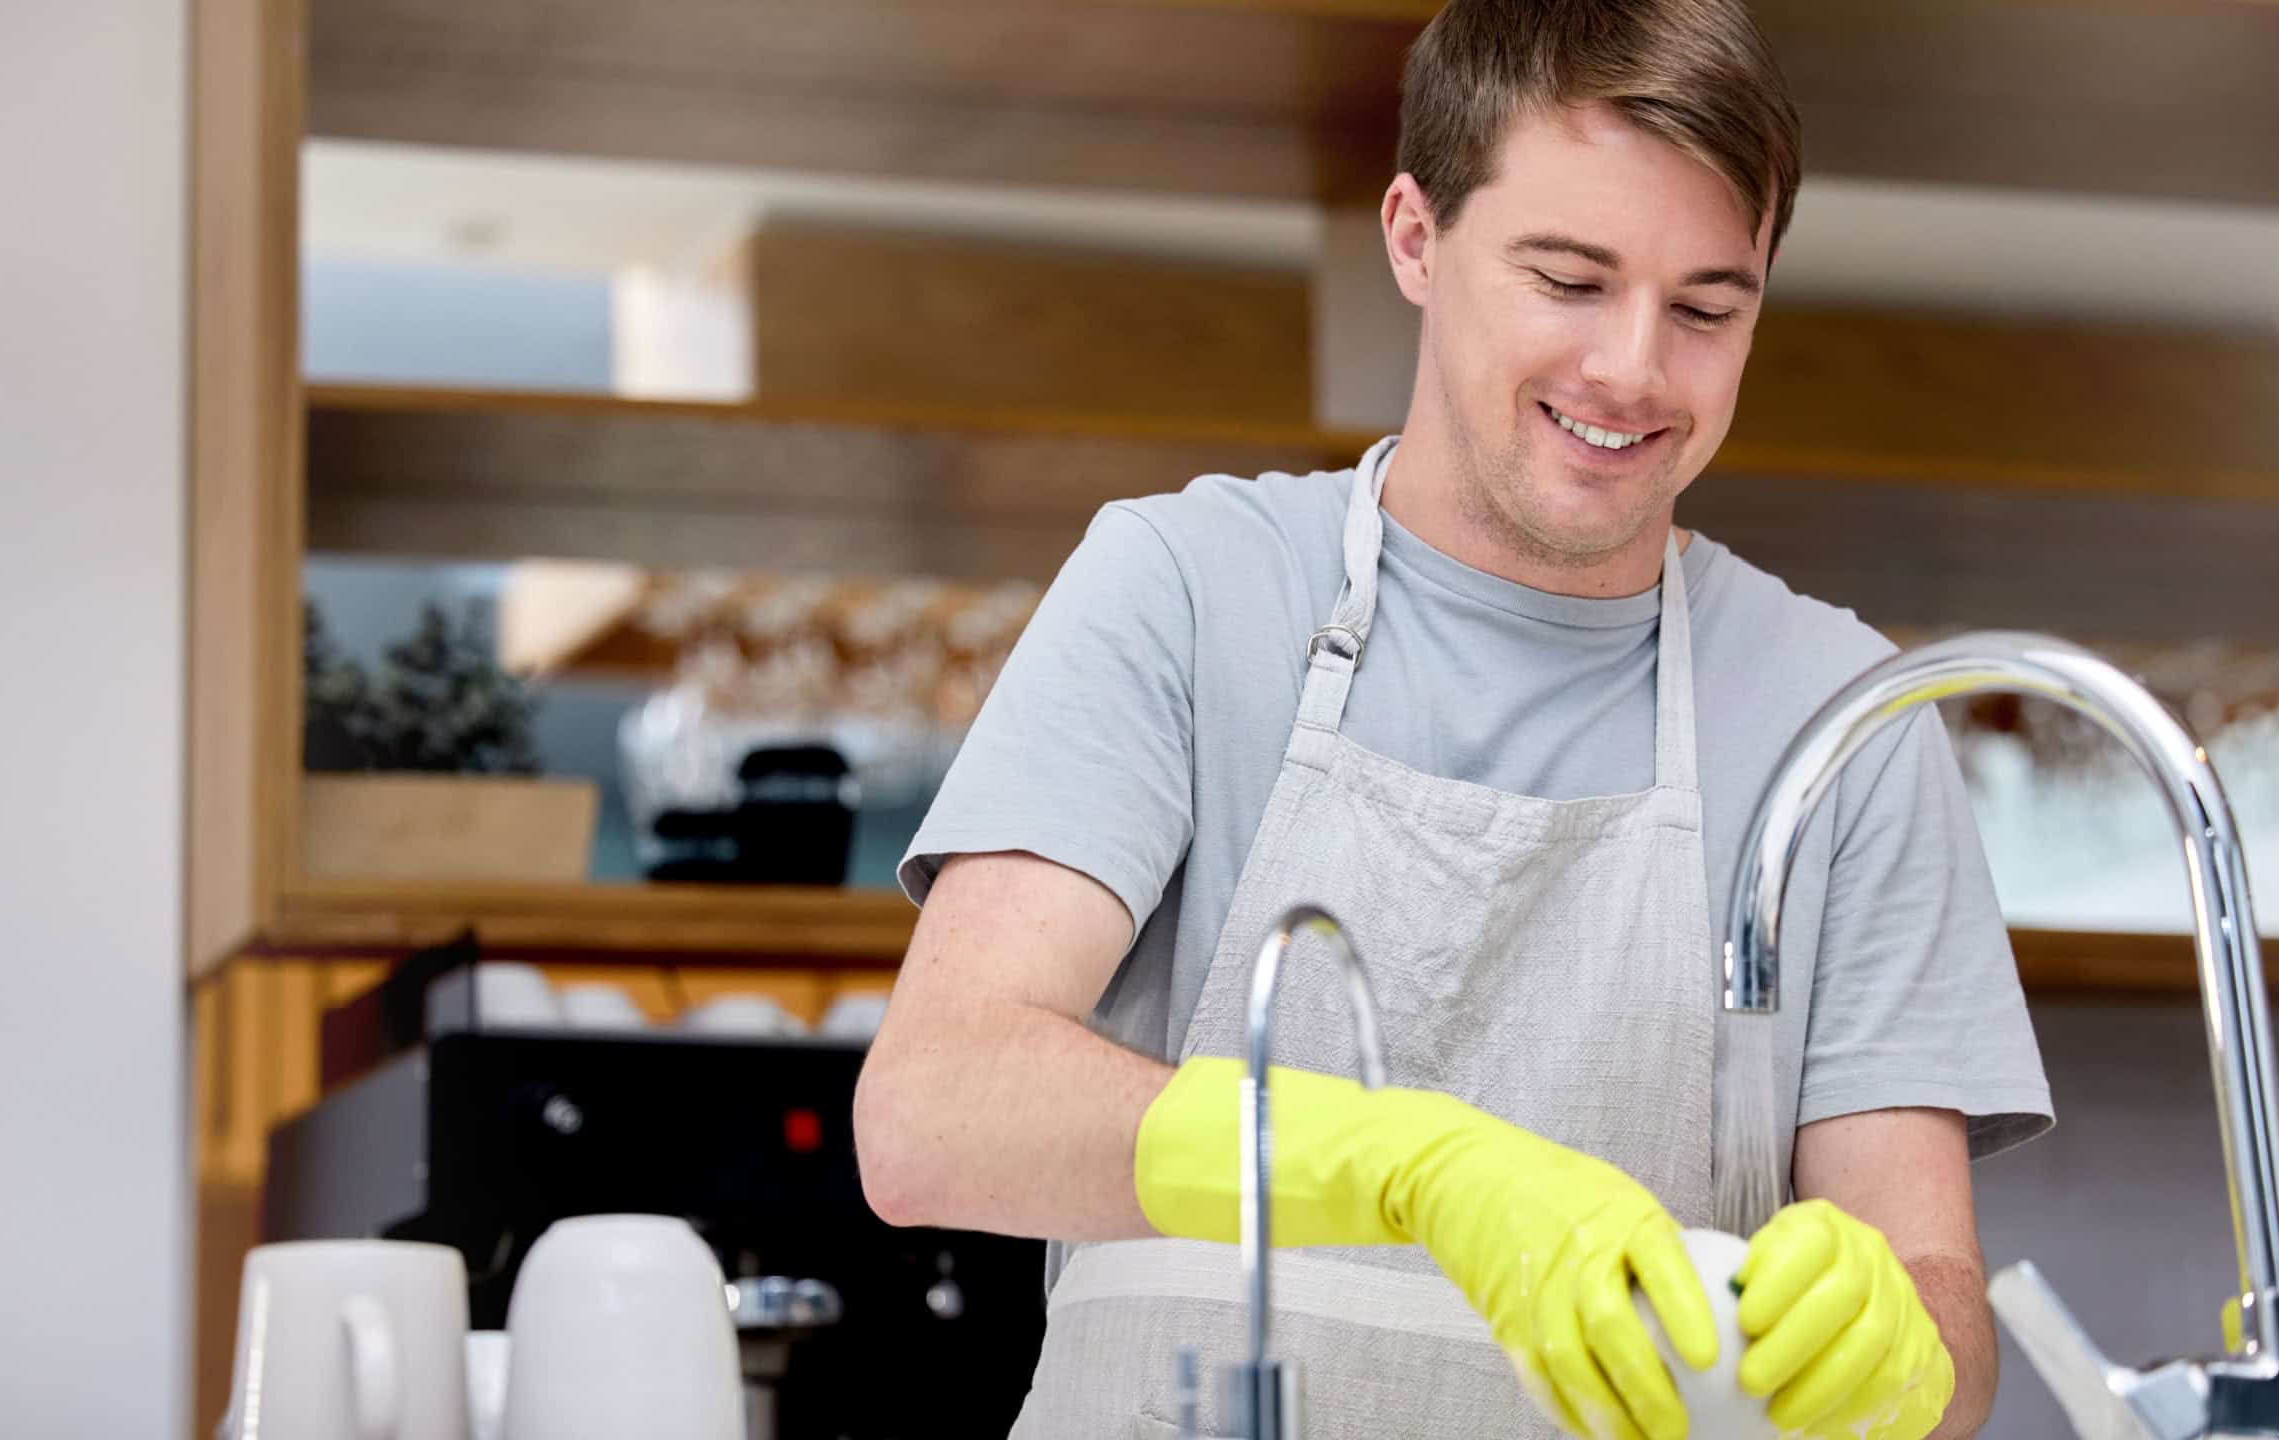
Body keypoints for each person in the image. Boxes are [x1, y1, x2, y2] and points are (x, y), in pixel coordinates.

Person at [854, 0, 2053, 1435]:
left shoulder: (1839, 722)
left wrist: (1903, 1346)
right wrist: (1402, 1164)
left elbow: (1939, 1305)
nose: (1633, 369)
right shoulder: (1188, 590)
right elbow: (931, 1112)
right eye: (1568, 279)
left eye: (1706, 308)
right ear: (1415, 237)